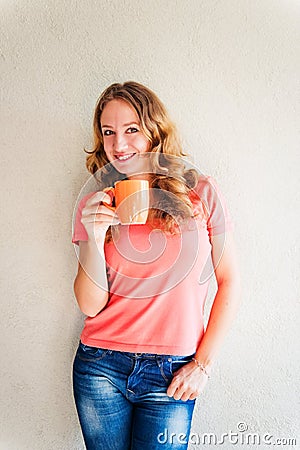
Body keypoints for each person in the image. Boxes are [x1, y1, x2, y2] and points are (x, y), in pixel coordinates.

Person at [72, 81, 241, 450]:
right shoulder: (95, 198)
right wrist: (94, 235)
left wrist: (203, 365)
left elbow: (229, 281)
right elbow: (89, 304)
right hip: (101, 367)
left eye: (132, 130)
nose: (119, 145)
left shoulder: (201, 192)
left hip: (174, 371)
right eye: (108, 132)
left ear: (155, 132)